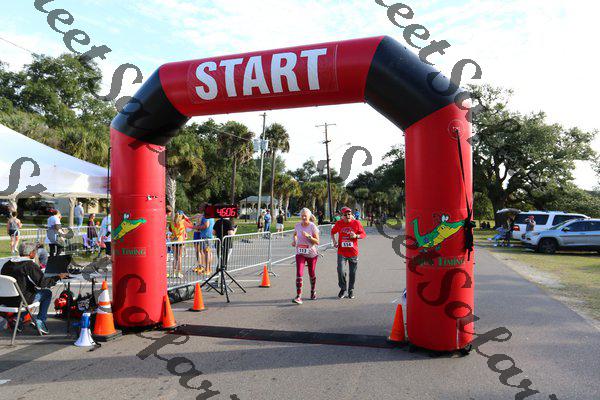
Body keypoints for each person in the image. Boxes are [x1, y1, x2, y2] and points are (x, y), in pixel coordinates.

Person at [0, 242, 69, 334]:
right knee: (47, 293)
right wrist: (58, 277)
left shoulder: (7, 264)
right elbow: (42, 283)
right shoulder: (29, 265)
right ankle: (40, 321)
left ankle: (17, 319)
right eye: (35, 251)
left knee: (28, 295)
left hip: (5, 300)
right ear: (31, 253)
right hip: (21, 301)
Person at [331, 206, 366, 299]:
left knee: (352, 273)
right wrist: (334, 242)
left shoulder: (356, 223)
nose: (347, 216)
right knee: (341, 271)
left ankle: (350, 290)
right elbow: (332, 232)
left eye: (349, 214)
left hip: (353, 252)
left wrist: (356, 236)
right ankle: (343, 289)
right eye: (345, 215)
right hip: (342, 252)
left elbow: (363, 234)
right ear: (342, 216)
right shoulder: (339, 223)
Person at [291, 208, 320, 304]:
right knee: (299, 273)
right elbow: (295, 234)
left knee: (311, 273)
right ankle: (298, 296)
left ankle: (313, 291)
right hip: (300, 253)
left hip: (311, 254)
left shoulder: (312, 226)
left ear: (309, 216)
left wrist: (309, 236)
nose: (303, 217)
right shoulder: (297, 225)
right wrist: (294, 241)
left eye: (305, 216)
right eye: (302, 216)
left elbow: (317, 241)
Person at [192, 204, 215, 274]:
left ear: (204, 208)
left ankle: (207, 270)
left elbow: (206, 225)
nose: (199, 207)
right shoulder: (210, 215)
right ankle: (208, 269)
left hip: (206, 236)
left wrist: (196, 227)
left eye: (201, 206)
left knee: (206, 253)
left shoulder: (205, 216)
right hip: (209, 236)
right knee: (208, 253)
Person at [168, 210, 191, 278]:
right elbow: (190, 225)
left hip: (174, 240)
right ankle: (179, 272)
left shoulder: (172, 222)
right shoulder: (183, 222)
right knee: (179, 257)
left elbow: (170, 230)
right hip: (180, 240)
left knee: (175, 257)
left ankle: (174, 272)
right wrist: (186, 218)